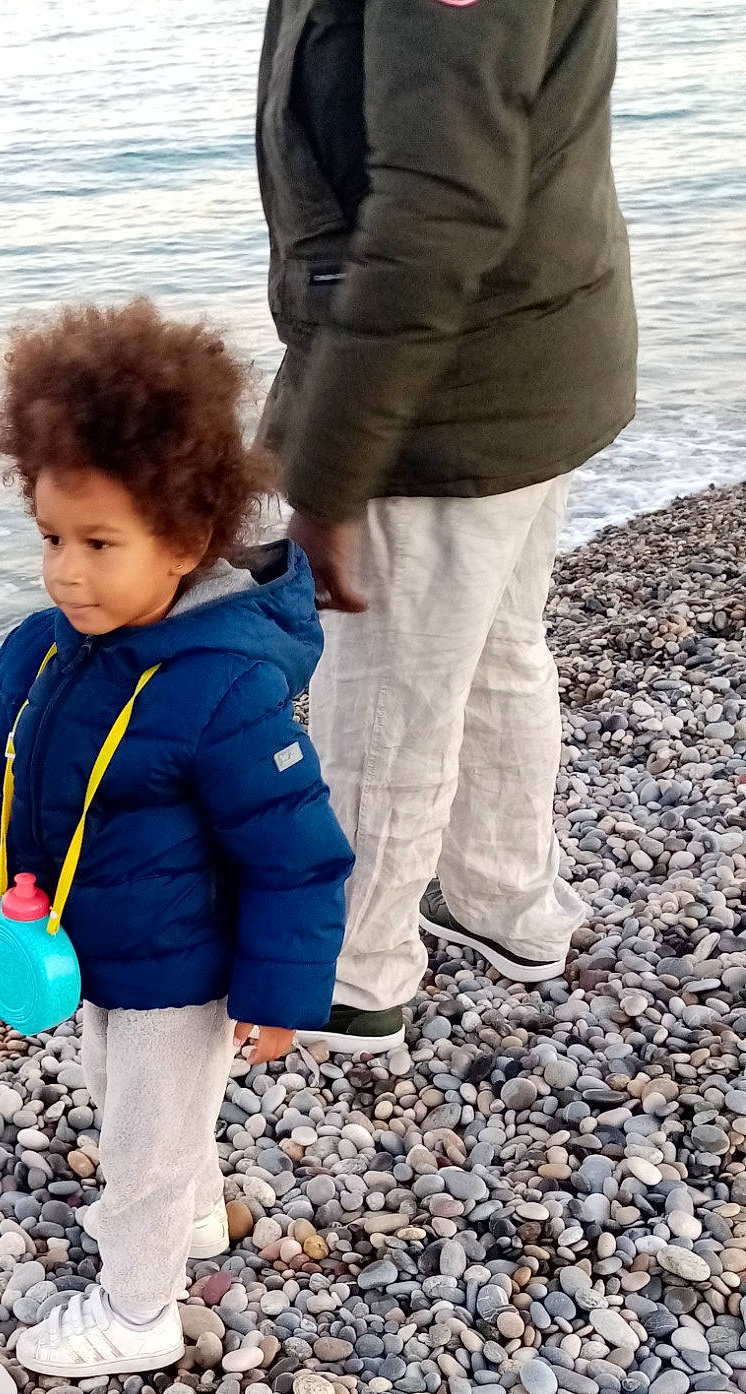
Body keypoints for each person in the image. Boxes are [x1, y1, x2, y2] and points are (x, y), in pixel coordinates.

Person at [0, 301, 354, 1379]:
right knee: (124, 1092)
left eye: (100, 545)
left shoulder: (221, 686)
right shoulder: (45, 652)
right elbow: (9, 789)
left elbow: (296, 853)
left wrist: (279, 991)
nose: (66, 573)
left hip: (184, 968)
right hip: (96, 944)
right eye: (52, 538)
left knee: (140, 1136)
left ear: (184, 542)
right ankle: (193, 1215)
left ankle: (137, 1311)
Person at [255, 0, 637, 1053]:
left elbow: (438, 207)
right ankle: (505, 899)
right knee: (496, 648)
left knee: (387, 688)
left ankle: (350, 973)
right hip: (532, 349)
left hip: (445, 385)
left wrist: (333, 473)